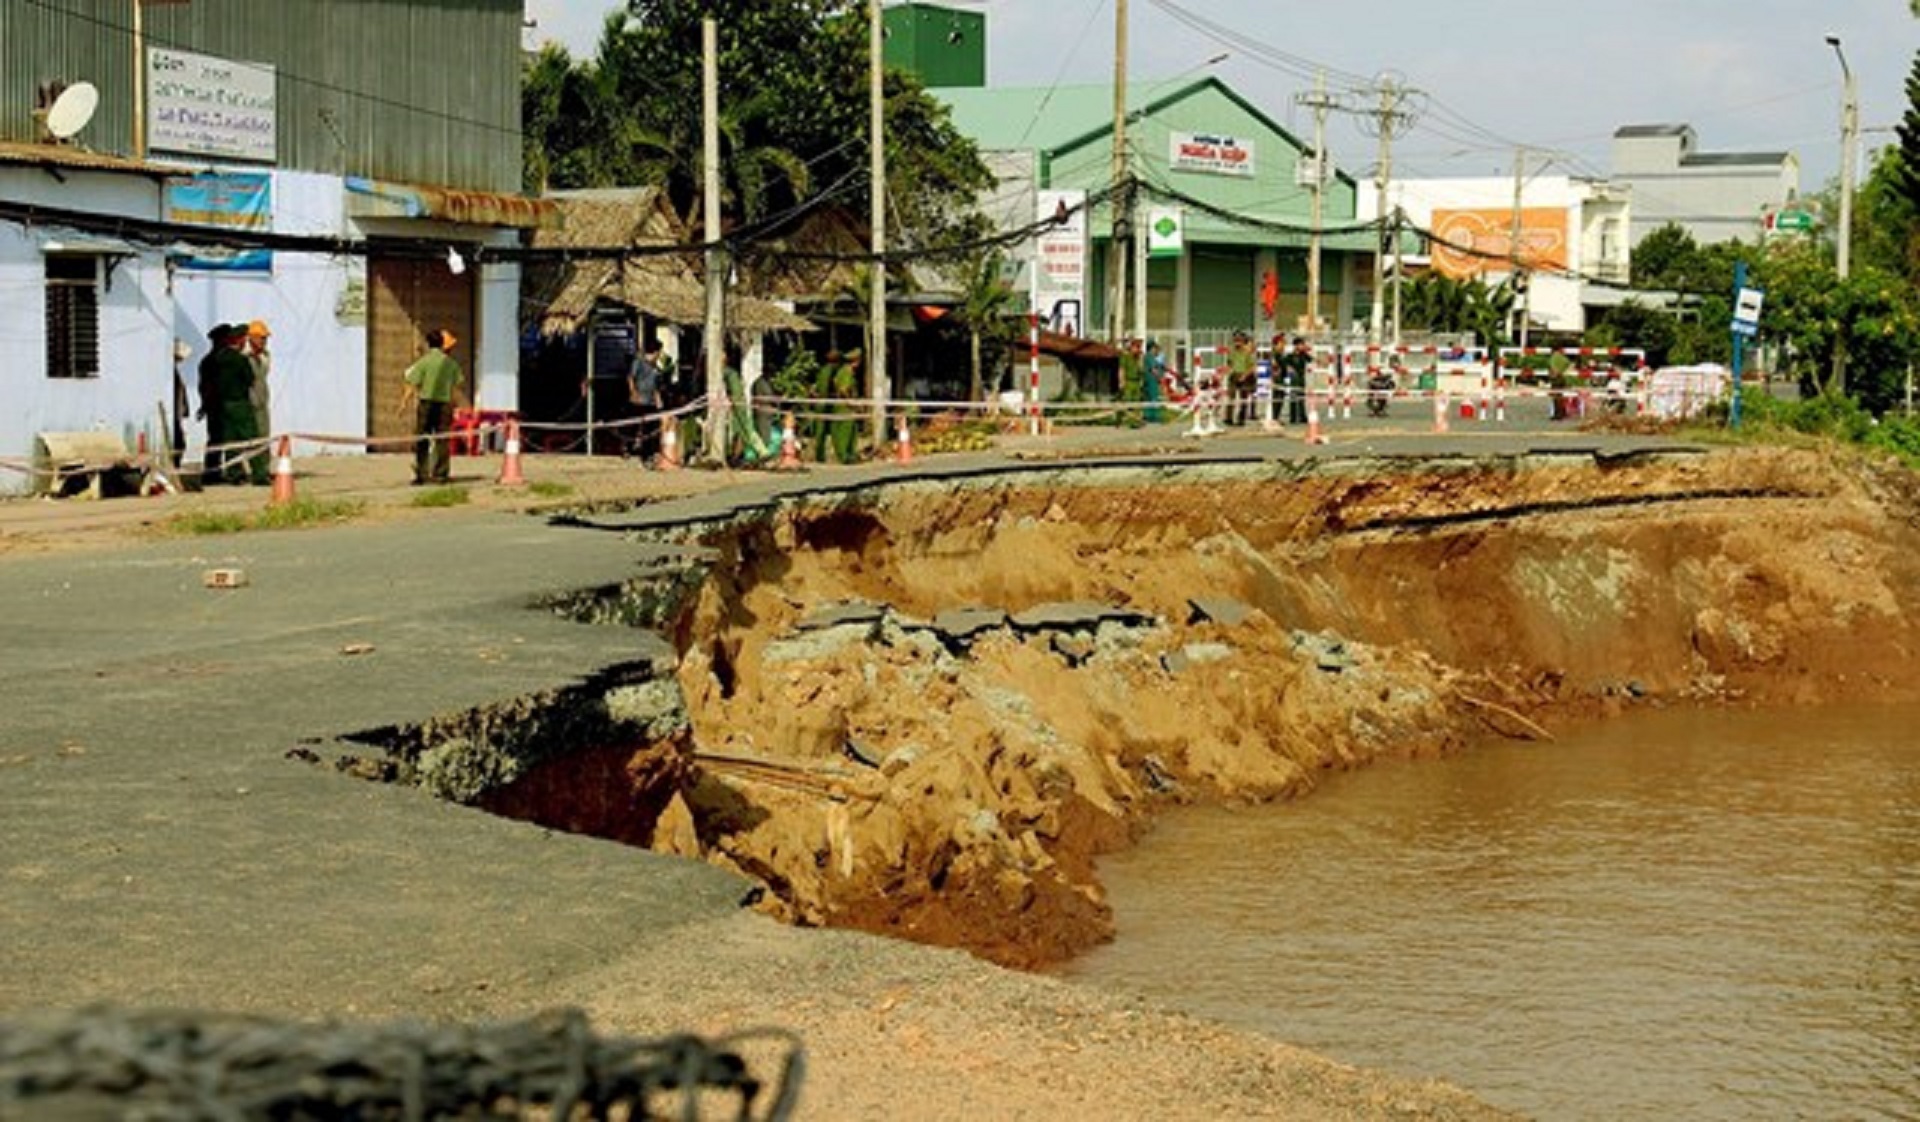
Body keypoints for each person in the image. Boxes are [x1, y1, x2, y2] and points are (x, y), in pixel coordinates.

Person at [402, 328, 463, 485]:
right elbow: (455, 388)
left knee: (422, 439)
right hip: (444, 405)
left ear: (429, 344)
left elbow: (411, 383)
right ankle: (440, 475)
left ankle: (422, 474)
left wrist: (403, 403)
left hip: (426, 404)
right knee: (442, 440)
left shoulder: (424, 362)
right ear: (443, 344)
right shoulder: (451, 364)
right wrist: (456, 405)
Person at [212, 327, 267, 485]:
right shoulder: (240, 360)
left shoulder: (219, 358)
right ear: (240, 340)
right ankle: (259, 474)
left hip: (224, 404)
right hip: (240, 403)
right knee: (252, 438)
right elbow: (249, 378)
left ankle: (234, 474)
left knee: (231, 440)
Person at [629, 335, 664, 461]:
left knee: (650, 428)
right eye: (659, 352)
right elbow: (631, 378)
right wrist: (633, 393)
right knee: (634, 426)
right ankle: (630, 449)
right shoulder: (638, 362)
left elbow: (656, 386)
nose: (660, 355)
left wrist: (658, 399)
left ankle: (648, 452)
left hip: (650, 402)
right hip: (638, 401)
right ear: (655, 352)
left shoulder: (656, 368)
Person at [243, 320, 272, 441]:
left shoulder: (265, 356)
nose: (264, 341)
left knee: (264, 436)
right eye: (261, 338)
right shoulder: (244, 357)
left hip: (263, 403)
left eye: (265, 338)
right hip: (249, 405)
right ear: (252, 338)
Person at [1226, 330, 1256, 426]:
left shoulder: (1247, 353)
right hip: (1234, 375)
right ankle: (1228, 418)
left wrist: (1244, 376)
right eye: (1235, 340)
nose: (1237, 342)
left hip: (1245, 376)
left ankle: (1241, 419)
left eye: (1239, 340)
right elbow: (1229, 363)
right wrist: (1229, 370)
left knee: (1243, 399)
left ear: (1243, 341)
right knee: (1231, 397)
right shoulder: (1232, 351)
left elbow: (1252, 367)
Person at [1283, 337, 1312, 425]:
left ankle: (1302, 417)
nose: (1302, 346)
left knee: (1301, 398)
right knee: (1293, 398)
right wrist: (1289, 369)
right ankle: (1293, 417)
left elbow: (1311, 359)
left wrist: (1307, 350)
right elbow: (1285, 364)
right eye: (1301, 344)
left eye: (1303, 344)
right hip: (1294, 380)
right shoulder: (1290, 356)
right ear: (1296, 345)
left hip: (1301, 379)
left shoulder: (1303, 355)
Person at [1142, 339, 1168, 424]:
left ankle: (1147, 415)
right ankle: (1154, 416)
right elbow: (1154, 370)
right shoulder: (1150, 357)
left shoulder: (1148, 357)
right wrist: (1160, 378)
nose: (1157, 350)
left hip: (1148, 380)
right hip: (1152, 380)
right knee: (1153, 398)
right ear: (1152, 348)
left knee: (1148, 398)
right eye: (1155, 348)